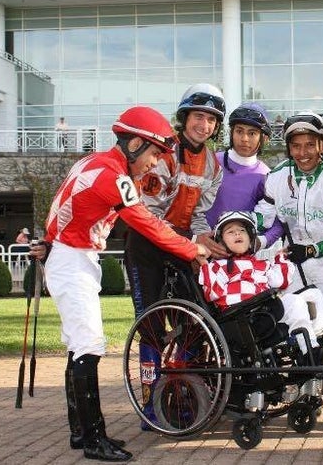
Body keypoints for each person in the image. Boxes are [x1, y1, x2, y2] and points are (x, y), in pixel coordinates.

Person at [30, 106, 210, 462]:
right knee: (90, 345)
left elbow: (61, 205)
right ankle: (95, 439)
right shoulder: (112, 177)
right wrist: (192, 249)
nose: (155, 163)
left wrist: (50, 239)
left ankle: (81, 433)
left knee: (78, 345)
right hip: (72, 259)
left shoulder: (93, 163)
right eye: (154, 153)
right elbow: (147, 224)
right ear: (134, 144)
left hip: (72, 255)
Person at [124, 83, 227, 431]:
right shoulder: (163, 153)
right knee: (151, 328)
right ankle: (151, 405)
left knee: (196, 323)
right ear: (185, 118)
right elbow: (148, 212)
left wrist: (201, 236)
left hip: (182, 245)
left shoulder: (213, 165)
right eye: (199, 116)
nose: (205, 125)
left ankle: (181, 396)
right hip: (146, 246)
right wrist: (186, 242)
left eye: (212, 120)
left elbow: (199, 214)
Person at [254, 111, 323, 331]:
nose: (302, 153)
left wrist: (313, 250)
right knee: (294, 329)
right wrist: (235, 227)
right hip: (291, 264)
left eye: (310, 145)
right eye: (296, 146)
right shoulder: (277, 176)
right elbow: (263, 215)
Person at [199, 211, 318, 356]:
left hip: (266, 310)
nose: (237, 234)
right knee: (288, 302)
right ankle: (308, 350)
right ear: (221, 241)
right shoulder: (218, 266)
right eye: (230, 232)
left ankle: (310, 350)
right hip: (243, 318)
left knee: (304, 298)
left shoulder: (259, 264)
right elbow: (213, 293)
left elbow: (281, 281)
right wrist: (204, 264)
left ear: (250, 239)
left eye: (242, 230)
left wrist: (282, 256)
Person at [206, 102, 283, 249]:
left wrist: (258, 243)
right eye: (239, 131)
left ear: (264, 138)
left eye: (252, 133)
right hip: (203, 250)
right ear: (231, 133)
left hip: (240, 259)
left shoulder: (267, 176)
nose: (245, 139)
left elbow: (279, 222)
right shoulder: (211, 161)